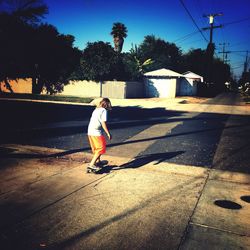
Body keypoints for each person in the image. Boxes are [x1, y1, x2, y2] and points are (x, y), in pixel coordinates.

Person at [87, 98, 112, 172]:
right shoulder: (104, 110)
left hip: (90, 131)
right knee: (100, 148)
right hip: (96, 132)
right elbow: (103, 123)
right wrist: (108, 133)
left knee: (96, 148)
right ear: (107, 104)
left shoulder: (96, 109)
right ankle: (91, 165)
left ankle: (98, 162)